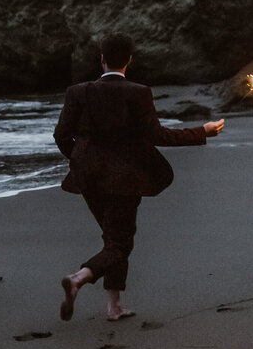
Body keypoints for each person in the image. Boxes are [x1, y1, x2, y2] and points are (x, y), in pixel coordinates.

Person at [53, 33, 224, 322]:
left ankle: (114, 306)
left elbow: (60, 135)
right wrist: (202, 132)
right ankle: (78, 278)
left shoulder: (77, 92)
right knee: (120, 244)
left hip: (88, 178)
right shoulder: (138, 92)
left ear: (102, 59)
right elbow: (158, 136)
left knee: (113, 239)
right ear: (130, 60)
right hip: (124, 178)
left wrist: (80, 160)